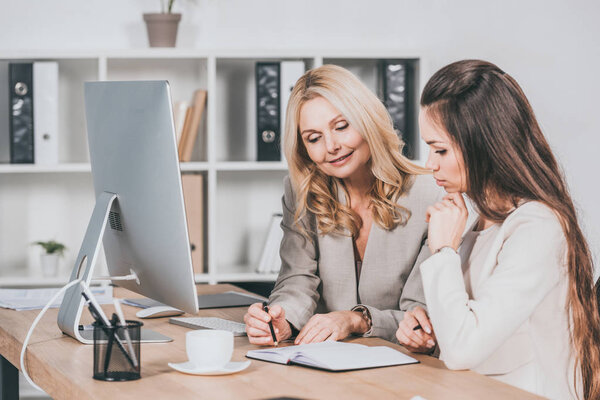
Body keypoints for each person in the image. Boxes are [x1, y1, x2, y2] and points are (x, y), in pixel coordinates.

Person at [396, 59, 600, 399]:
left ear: (482, 145)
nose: (430, 164)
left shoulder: (539, 227)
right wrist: (429, 334)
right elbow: (469, 334)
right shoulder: (481, 222)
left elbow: (464, 350)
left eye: (440, 149)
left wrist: (444, 250)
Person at [244, 64, 442, 346]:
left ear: (367, 120)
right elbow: (297, 279)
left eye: (341, 126)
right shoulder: (302, 191)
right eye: (314, 138)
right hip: (325, 360)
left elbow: (420, 314)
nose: (331, 146)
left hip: (404, 365)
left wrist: (356, 320)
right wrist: (281, 319)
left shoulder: (432, 195)